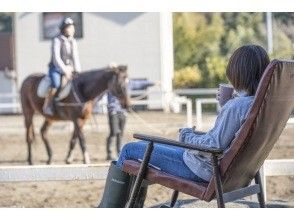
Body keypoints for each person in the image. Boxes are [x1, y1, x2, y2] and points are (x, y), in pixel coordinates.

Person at [98, 44, 270, 208]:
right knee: (147, 149)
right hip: (230, 172)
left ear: (238, 72)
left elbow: (214, 145)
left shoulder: (235, 107)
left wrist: (187, 135)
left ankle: (111, 208)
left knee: (129, 150)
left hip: (202, 169)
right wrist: (225, 105)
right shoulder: (258, 104)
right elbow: (228, 137)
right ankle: (132, 206)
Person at [43, 17, 81, 116]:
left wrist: (77, 70)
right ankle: (48, 105)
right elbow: (56, 58)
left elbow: (75, 57)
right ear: (64, 28)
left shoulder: (73, 41)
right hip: (56, 68)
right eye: (69, 27)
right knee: (55, 84)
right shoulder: (57, 40)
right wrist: (65, 70)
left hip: (69, 68)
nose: (72, 29)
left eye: (72, 27)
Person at [106, 91, 127, 161]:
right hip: (113, 112)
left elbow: (139, 84)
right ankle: (109, 153)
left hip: (123, 112)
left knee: (120, 134)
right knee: (114, 132)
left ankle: (119, 152)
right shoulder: (111, 86)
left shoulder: (127, 84)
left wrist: (153, 83)